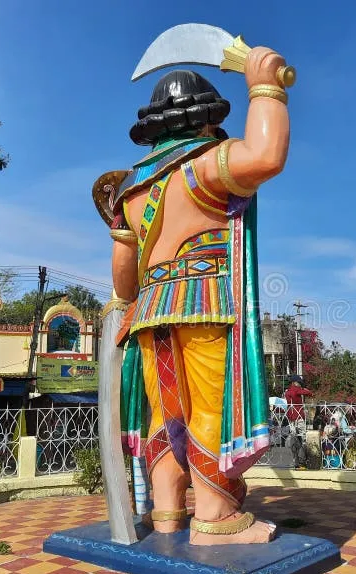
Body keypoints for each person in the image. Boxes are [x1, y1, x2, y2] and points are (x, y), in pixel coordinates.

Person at [111, 47, 291, 545]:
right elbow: (266, 155)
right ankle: (213, 513)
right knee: (208, 408)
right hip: (204, 300)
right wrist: (265, 87)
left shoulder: (130, 190)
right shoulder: (207, 163)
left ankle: (167, 510)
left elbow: (123, 278)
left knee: (164, 410)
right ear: (208, 117)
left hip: (150, 313)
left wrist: (130, 303)